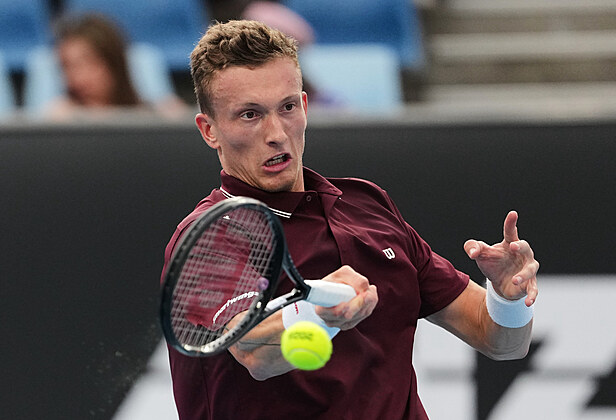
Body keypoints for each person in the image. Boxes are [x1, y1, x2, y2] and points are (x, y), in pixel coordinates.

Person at [162, 20, 539, 419]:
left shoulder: (368, 204)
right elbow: (252, 350)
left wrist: (507, 297)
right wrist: (318, 312)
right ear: (209, 130)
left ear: (305, 106)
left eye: (287, 107)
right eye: (250, 115)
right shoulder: (209, 235)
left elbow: (502, 343)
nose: (276, 133)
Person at [44, 14, 187, 120]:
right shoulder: (60, 119)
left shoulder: (156, 115)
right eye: (66, 67)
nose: (77, 77)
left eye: (89, 63)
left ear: (114, 61)